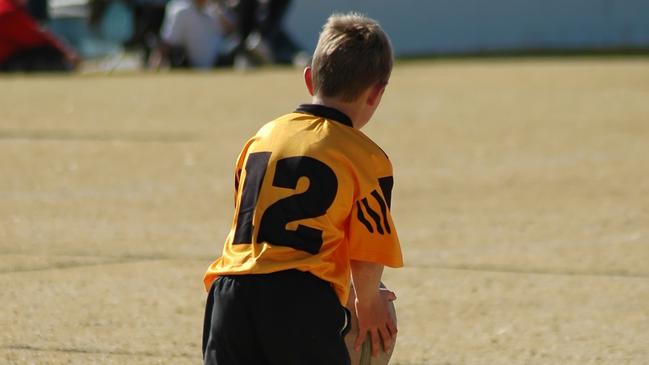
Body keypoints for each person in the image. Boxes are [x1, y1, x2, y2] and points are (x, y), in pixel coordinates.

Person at [202, 12, 403, 365]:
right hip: (299, 301)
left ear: (310, 78)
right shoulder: (367, 157)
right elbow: (367, 254)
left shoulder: (262, 138)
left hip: (229, 293)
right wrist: (366, 304)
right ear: (376, 94)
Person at [148, 0, 233, 69]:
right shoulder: (180, 10)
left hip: (221, 64)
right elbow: (167, 42)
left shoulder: (213, 8)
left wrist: (217, 9)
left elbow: (231, 30)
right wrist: (154, 66)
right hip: (192, 68)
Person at [0, 0, 80, 72]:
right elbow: (35, 37)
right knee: (48, 53)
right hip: (7, 61)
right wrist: (65, 51)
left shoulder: (9, 7)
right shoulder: (8, 10)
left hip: (8, 58)